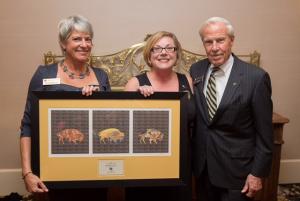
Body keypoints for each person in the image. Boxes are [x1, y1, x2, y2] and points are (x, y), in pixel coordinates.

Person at [20, 15, 110, 200]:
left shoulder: (101, 77)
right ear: (63, 44)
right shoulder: (44, 74)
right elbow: (27, 126)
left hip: (93, 167)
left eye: (88, 39)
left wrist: (95, 101)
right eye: (77, 38)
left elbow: (107, 124)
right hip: (54, 168)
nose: (84, 44)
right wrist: (27, 173)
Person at [190, 17, 273, 201]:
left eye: (220, 40)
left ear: (232, 41)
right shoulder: (196, 70)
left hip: (238, 173)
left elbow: (265, 135)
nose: (214, 47)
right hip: (203, 170)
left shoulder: (256, 78)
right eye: (208, 42)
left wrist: (257, 174)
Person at [125, 31, 194, 201]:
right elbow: (125, 129)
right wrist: (139, 100)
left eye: (169, 48)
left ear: (176, 54)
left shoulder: (188, 81)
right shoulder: (135, 83)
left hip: (180, 165)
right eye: (157, 48)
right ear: (149, 56)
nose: (164, 52)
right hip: (143, 166)